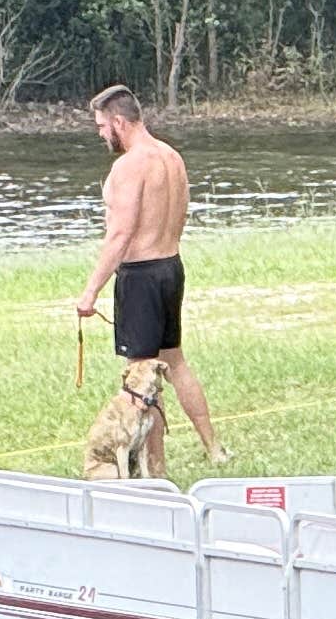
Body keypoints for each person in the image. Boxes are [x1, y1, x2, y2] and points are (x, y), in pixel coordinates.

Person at [72, 86, 225, 463]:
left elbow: (120, 234)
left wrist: (91, 291)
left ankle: (156, 467)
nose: (100, 134)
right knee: (175, 362)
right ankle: (214, 448)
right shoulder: (172, 157)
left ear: (119, 122)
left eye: (102, 126)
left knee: (141, 375)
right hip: (170, 267)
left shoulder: (128, 166)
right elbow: (180, 215)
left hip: (141, 275)